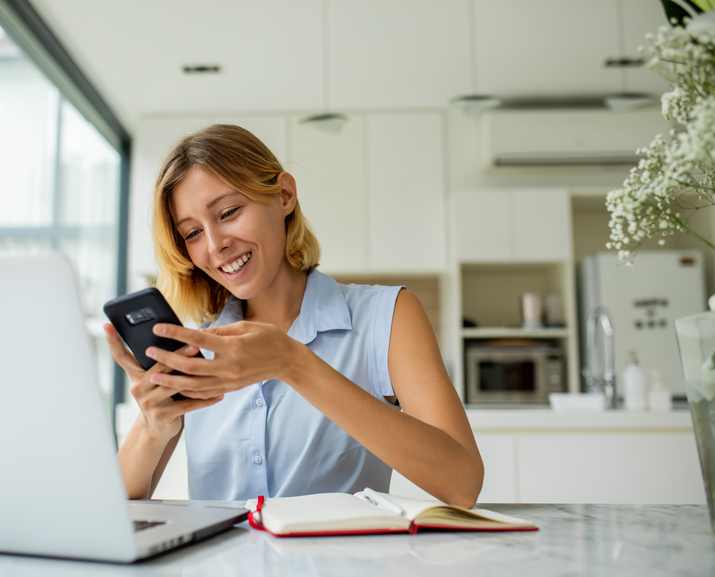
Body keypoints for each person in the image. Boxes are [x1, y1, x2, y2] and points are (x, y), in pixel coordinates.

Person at [105, 124, 483, 507]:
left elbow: (461, 483)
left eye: (229, 212)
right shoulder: (193, 352)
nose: (216, 244)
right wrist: (153, 429)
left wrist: (294, 363)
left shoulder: (387, 316)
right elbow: (111, 515)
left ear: (284, 195)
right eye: (192, 233)